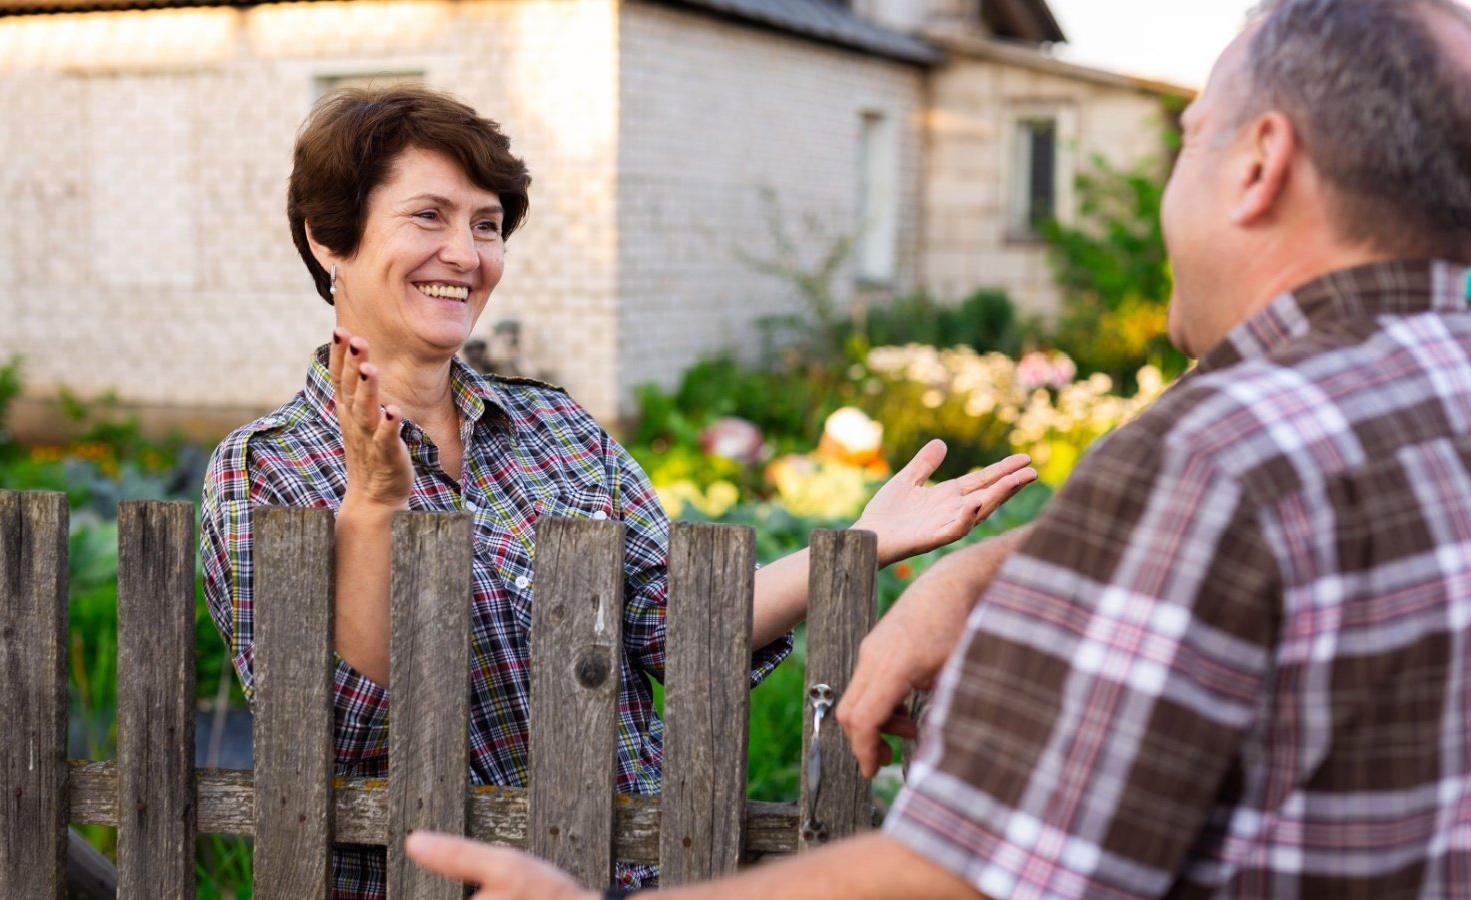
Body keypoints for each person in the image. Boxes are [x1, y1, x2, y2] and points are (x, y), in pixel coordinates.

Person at [404, 0, 1471, 895]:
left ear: (1259, 166)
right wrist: (986, 566)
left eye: (1189, 138)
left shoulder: (1213, 458)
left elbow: (961, 881)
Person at [198, 85, 1037, 899]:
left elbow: (674, 626)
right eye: (429, 216)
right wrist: (376, 505)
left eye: (486, 226)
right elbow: (340, 731)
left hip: (633, 876)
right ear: (328, 239)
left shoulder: (559, 428)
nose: (466, 254)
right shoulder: (264, 468)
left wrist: (858, 540)